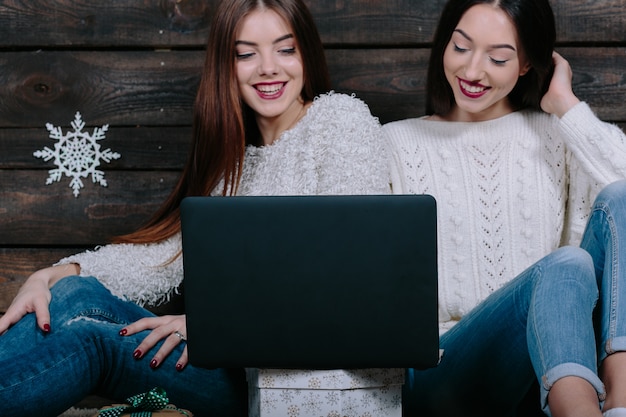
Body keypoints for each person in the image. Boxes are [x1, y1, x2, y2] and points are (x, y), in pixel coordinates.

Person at [0, 0, 389, 415]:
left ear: (306, 53)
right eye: (246, 54)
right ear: (227, 65)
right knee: (76, 291)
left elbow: (351, 270)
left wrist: (217, 328)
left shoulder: (339, 120)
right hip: (221, 359)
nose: (268, 68)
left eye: (285, 49)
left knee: (92, 341)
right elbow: (164, 259)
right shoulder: (234, 164)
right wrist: (57, 272)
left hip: (287, 380)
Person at [382, 0, 626, 416]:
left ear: (528, 63)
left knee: (611, 209)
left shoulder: (556, 133)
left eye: (498, 57)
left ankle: (620, 400)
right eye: (460, 47)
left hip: (550, 358)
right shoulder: (395, 143)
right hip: (446, 366)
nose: (473, 71)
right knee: (564, 263)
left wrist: (566, 106)